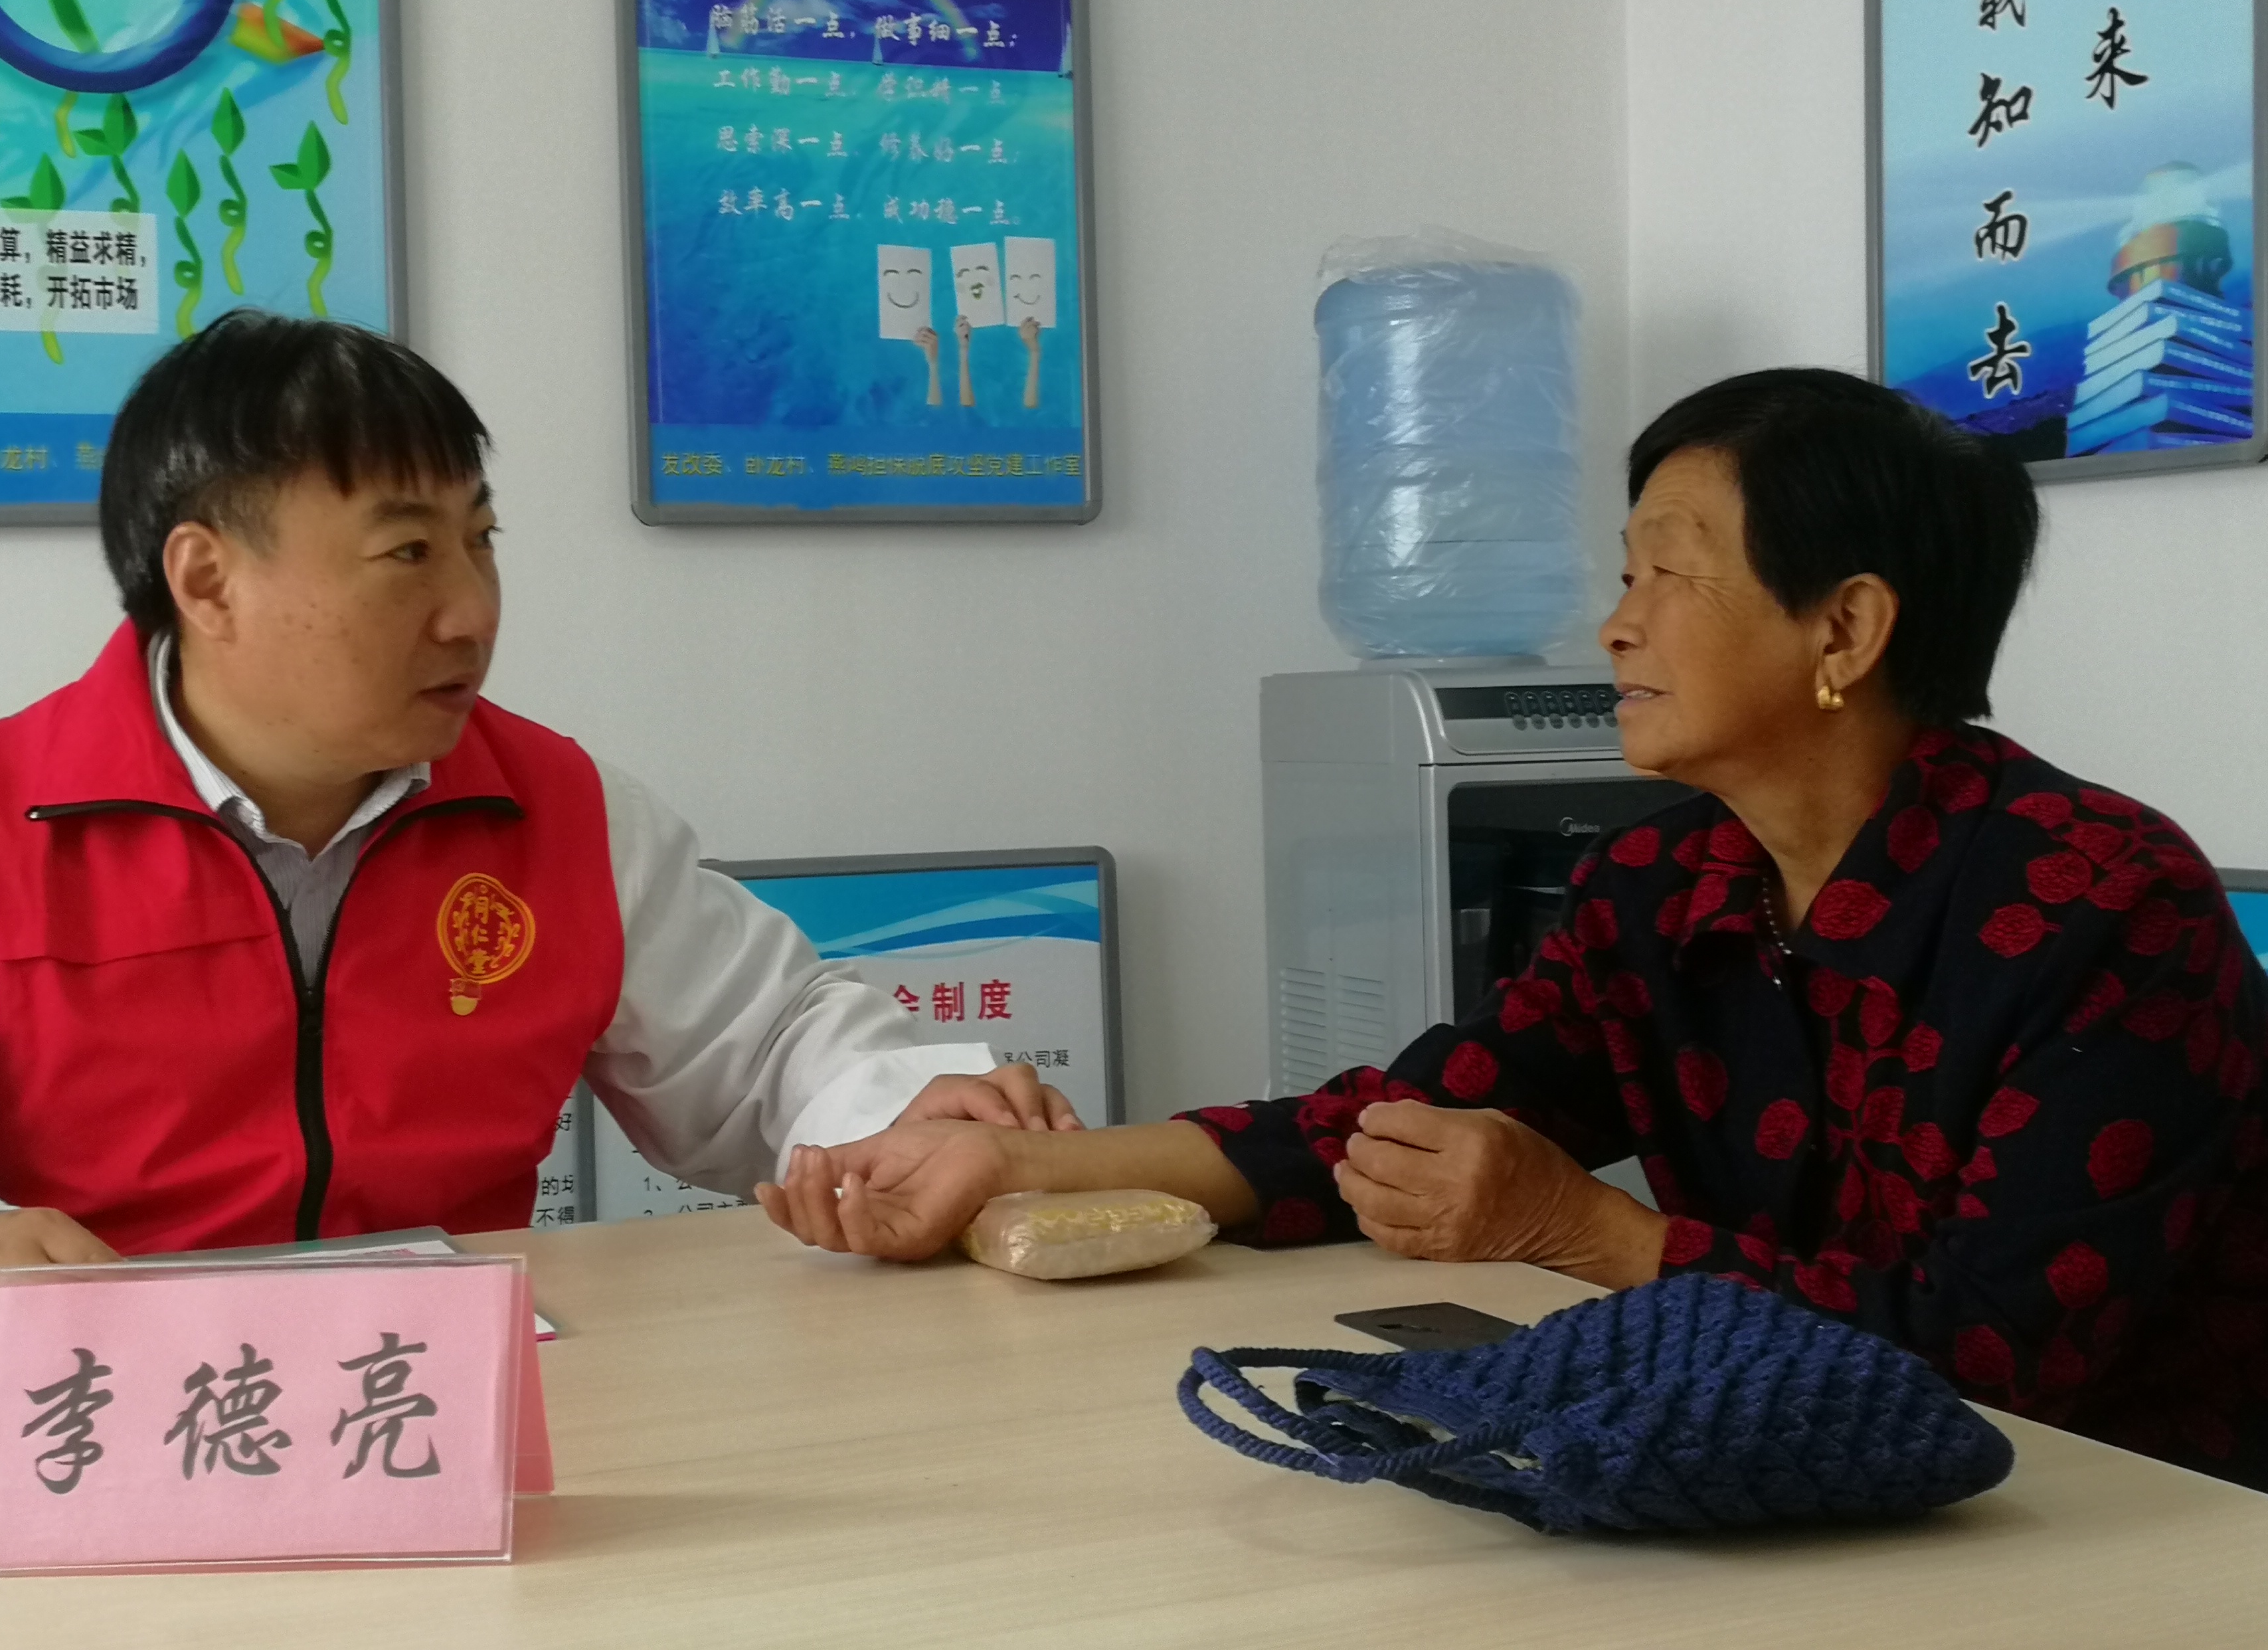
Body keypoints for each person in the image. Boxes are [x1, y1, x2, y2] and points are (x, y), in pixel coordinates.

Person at [760, 368, 2268, 1489]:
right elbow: (1392, 1131)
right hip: (1801, 1484)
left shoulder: (2101, 903)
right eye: (1625, 575)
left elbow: (2004, 1363)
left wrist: (1588, 1233)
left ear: (1844, 628)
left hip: (2131, 1524)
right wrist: (1020, 1167)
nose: (1617, 624)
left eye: (1670, 575)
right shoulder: (1664, 884)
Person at [0, 313, 1075, 1363]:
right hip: (90, 1435)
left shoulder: (562, 811)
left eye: (481, 541)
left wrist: (908, 1105)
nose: (471, 611)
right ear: (206, 580)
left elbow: (770, 1050)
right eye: (406, 554)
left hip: (453, 1410)